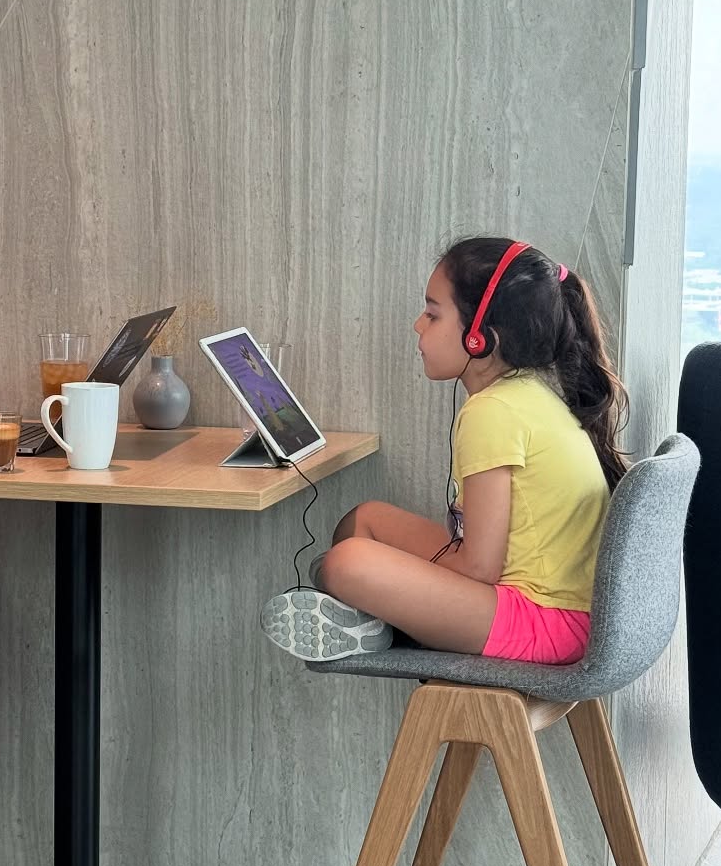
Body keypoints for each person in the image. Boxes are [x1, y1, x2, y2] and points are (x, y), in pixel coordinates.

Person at [262, 237, 627, 666]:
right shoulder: (530, 391)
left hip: (541, 623)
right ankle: (371, 622)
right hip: (560, 614)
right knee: (366, 520)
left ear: (479, 337)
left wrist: (403, 579)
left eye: (433, 314)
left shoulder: (491, 412)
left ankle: (372, 625)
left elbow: (480, 569)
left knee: (345, 563)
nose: (419, 325)